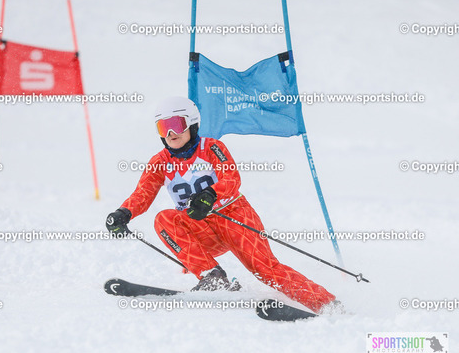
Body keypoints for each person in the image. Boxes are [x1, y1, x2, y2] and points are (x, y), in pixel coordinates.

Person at [105, 96, 339, 314]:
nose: (170, 133)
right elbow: (143, 193)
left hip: (233, 216)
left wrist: (210, 194)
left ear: (192, 124)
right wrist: (124, 213)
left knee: (265, 270)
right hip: (201, 227)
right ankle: (212, 276)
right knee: (164, 219)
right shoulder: (160, 162)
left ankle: (327, 304)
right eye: (163, 127)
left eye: (176, 124)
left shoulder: (211, 148)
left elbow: (231, 178)